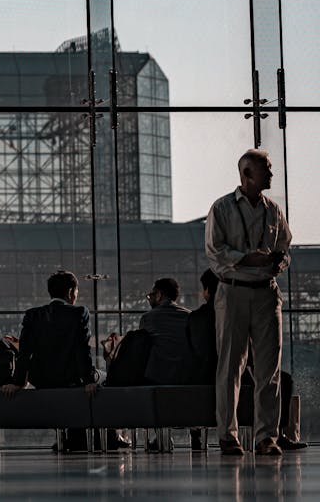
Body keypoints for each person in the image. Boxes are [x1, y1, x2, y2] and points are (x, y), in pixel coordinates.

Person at [204, 148, 292, 457]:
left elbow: (284, 247)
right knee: (230, 367)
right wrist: (246, 258)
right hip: (233, 290)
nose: (271, 173)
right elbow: (215, 252)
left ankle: (266, 436)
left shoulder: (273, 210)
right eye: (266, 169)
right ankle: (228, 436)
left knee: (269, 368)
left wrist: (277, 262)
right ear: (247, 174)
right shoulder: (223, 208)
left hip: (266, 291)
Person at [187, 267, 305, 451]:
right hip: (239, 373)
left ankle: (222, 435)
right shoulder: (240, 312)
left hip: (203, 374)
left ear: (208, 291)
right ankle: (275, 434)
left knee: (230, 377)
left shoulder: (196, 318)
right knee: (279, 378)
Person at [1, 271, 97, 453]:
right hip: (71, 380)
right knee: (104, 380)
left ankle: (72, 437)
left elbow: (24, 353)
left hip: (42, 380)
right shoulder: (79, 313)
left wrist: (18, 382)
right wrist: (89, 380)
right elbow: (81, 349)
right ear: (70, 292)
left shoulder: (33, 315)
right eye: (76, 291)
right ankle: (108, 437)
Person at [139, 278, 190, 385]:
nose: (149, 299)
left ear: (159, 295)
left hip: (156, 377)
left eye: (151, 295)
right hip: (186, 375)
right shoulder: (190, 316)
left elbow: (141, 349)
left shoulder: (147, 318)